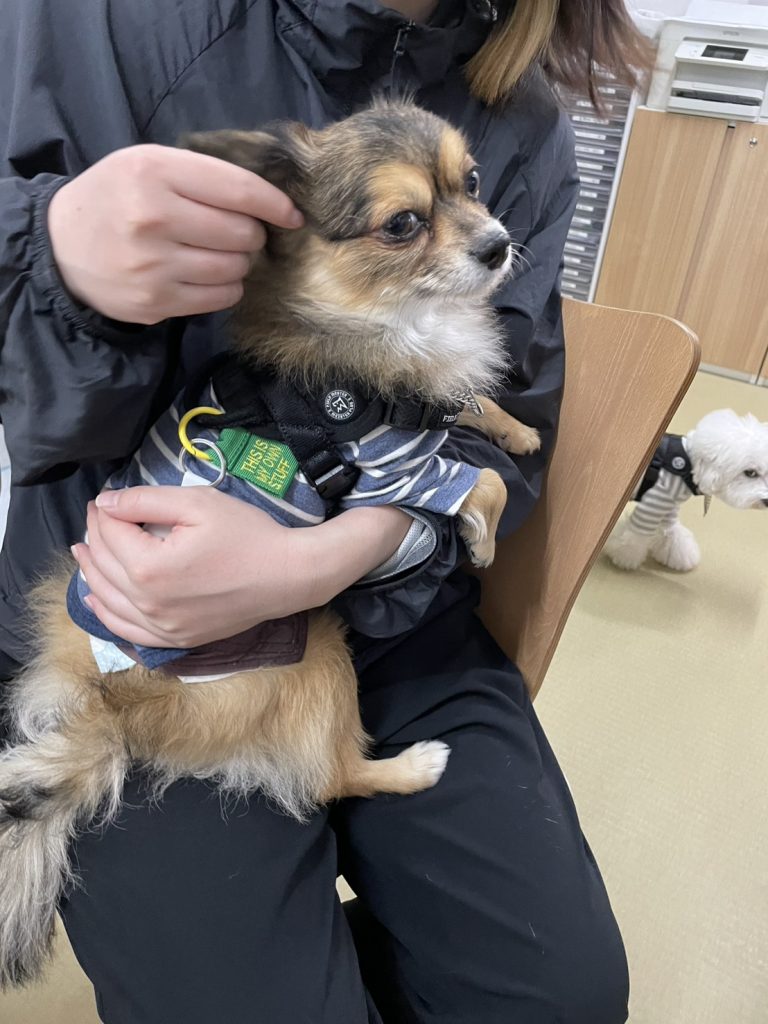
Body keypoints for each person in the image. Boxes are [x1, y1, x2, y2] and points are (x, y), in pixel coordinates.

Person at [0, 1, 648, 1021]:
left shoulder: (522, 110)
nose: (484, 232)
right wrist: (50, 253)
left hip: (398, 617)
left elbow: (513, 416)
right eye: (405, 221)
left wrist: (333, 554)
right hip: (147, 626)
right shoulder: (104, 22)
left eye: (470, 188)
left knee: (555, 999)